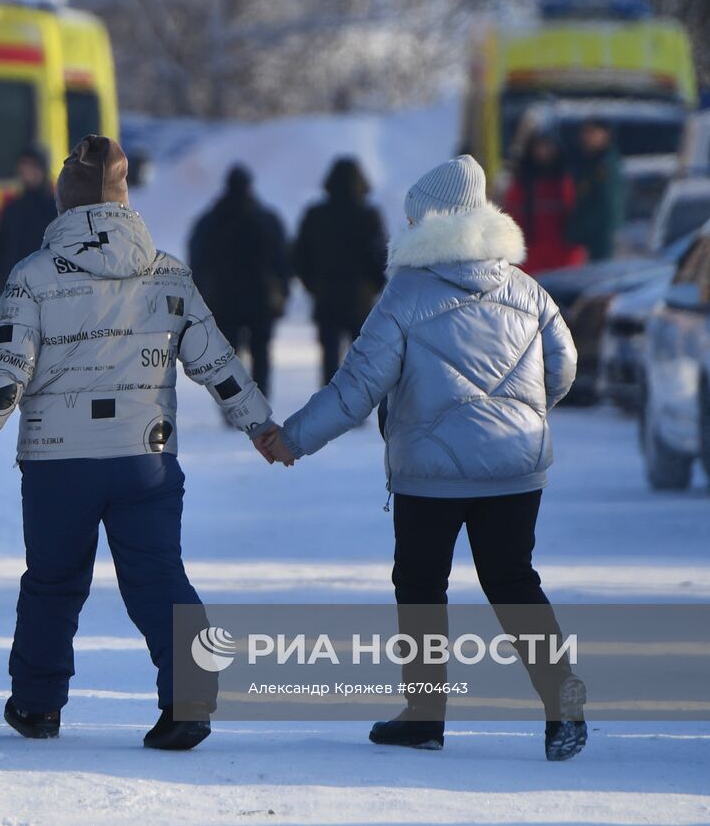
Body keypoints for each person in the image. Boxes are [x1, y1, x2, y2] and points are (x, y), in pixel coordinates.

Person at [259, 155, 588, 762]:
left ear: (427, 221)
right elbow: (562, 370)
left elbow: (357, 388)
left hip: (428, 477)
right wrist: (518, 416)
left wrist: (292, 439)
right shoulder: (529, 289)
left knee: (420, 587)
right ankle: (562, 708)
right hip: (516, 471)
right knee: (514, 583)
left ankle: (425, 716)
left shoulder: (405, 294)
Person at [0, 135, 275, 751]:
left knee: (53, 582)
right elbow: (216, 361)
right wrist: (258, 424)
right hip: (145, 458)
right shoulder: (167, 273)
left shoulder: (34, 276)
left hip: (59, 462)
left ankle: (37, 706)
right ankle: (190, 701)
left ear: (64, 203)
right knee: (158, 576)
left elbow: (8, 365)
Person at [188, 165, 290, 396]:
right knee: (261, 351)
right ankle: (260, 398)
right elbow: (283, 259)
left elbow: (197, 258)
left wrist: (201, 292)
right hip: (261, 299)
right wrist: (282, 291)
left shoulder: (210, 220)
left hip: (223, 299)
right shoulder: (266, 218)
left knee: (227, 354)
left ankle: (232, 403)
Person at [293, 157, 388, 386]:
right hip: (360, 297)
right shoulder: (369, 215)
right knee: (361, 355)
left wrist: (312, 285)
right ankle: (358, 403)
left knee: (329, 357)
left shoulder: (315, 215)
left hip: (326, 295)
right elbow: (380, 256)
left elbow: (300, 255)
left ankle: (331, 405)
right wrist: (374, 286)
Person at [503, 131, 584, 275]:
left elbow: (575, 221)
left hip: (562, 260)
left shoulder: (565, 183)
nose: (543, 152)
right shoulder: (521, 183)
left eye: (548, 147)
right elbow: (510, 220)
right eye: (539, 147)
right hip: (529, 259)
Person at [0, 146, 58, 285]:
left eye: (33, 167)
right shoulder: (13, 208)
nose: (28, 173)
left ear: (43, 169)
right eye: (24, 167)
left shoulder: (56, 208)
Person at [568, 119, 626, 262]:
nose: (587, 138)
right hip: (586, 232)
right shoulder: (586, 161)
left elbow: (607, 203)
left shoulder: (606, 164)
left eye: (593, 133)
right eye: (586, 133)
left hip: (600, 233)